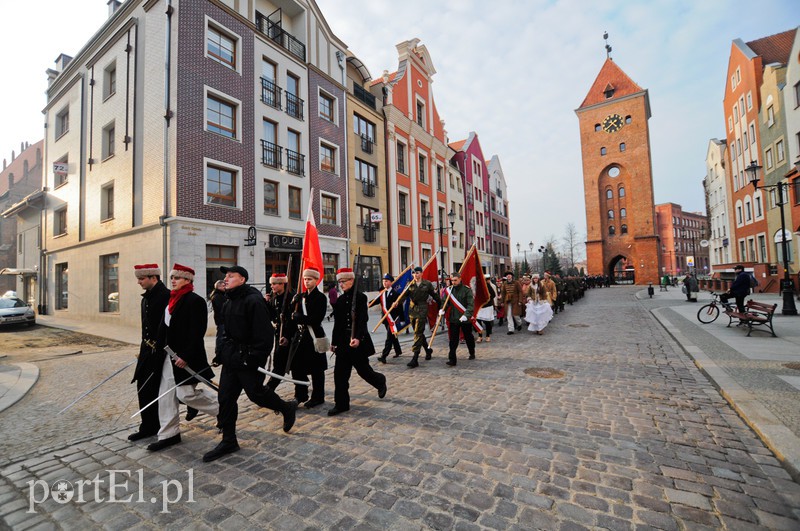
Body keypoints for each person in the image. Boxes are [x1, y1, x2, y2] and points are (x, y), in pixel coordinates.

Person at [203, 265, 298, 462]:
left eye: (231, 276)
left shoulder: (253, 301)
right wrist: (221, 354)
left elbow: (264, 336)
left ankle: (286, 408)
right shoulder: (228, 301)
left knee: (256, 395)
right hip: (231, 358)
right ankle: (229, 440)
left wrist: (252, 359)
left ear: (243, 279)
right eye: (225, 276)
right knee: (225, 398)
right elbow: (225, 332)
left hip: (247, 359)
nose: (226, 279)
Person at [149, 264, 219, 452]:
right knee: (165, 396)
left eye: (177, 278)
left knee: (185, 394)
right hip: (166, 356)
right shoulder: (170, 301)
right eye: (172, 278)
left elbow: (197, 332)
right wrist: (154, 350)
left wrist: (186, 355)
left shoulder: (195, 301)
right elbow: (163, 329)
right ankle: (168, 434)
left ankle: (223, 410)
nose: (173, 281)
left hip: (185, 357)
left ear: (188, 280)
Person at [328, 267, 387, 416]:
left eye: (343, 281)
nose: (341, 284)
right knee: (339, 375)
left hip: (357, 342)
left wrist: (358, 338)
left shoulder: (361, 297)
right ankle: (341, 404)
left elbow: (363, 320)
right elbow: (338, 324)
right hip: (343, 343)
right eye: (339, 282)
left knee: (364, 371)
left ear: (352, 280)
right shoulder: (340, 300)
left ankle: (380, 381)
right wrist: (334, 343)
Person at [129, 263, 169, 442]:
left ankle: (163, 425)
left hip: (162, 352)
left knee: (170, 391)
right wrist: (143, 349)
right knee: (143, 387)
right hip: (147, 351)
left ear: (154, 278)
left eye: (141, 278)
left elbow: (169, 328)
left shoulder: (166, 296)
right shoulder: (145, 298)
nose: (138, 282)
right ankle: (148, 426)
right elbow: (146, 329)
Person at [264, 273, 306, 402]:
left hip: (292, 337)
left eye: (275, 284)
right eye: (271, 284)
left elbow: (294, 320)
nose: (272, 286)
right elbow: (271, 316)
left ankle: (301, 395)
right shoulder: (273, 298)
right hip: (279, 335)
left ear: (283, 284)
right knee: (279, 365)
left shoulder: (292, 298)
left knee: (297, 367)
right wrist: (266, 303)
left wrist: (287, 336)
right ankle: (267, 391)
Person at [290, 267, 328, 408]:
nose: (306, 282)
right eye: (305, 279)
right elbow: (292, 315)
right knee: (297, 368)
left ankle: (318, 397)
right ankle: (300, 394)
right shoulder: (302, 297)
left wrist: (300, 317)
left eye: (310, 279)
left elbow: (316, 319)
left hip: (314, 336)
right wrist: (294, 303)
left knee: (317, 370)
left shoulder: (321, 297)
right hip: (301, 337)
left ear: (316, 281)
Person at [394, 266, 441, 368]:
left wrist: (441, 305)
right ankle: (428, 350)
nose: (416, 275)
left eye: (418, 273)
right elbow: (404, 295)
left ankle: (415, 358)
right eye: (414, 273)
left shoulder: (427, 284)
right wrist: (397, 302)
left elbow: (434, 295)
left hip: (422, 309)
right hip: (412, 311)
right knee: (418, 332)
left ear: (421, 273)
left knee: (418, 333)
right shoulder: (410, 284)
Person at [441, 272, 475, 366]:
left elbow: (470, 305)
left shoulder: (467, 290)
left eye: (455, 280)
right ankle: (452, 359)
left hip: (465, 319)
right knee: (453, 340)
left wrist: (466, 315)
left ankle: (472, 352)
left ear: (460, 279)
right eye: (452, 280)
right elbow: (445, 302)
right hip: (454, 318)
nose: (453, 282)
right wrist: (442, 310)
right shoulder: (449, 290)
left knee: (468, 337)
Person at [375, 274, 403, 363]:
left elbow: (400, 307)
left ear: (391, 283)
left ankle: (384, 356)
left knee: (389, 338)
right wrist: (368, 304)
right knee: (393, 336)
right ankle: (398, 351)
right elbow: (376, 301)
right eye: (383, 281)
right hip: (385, 319)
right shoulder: (382, 293)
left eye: (386, 281)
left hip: (392, 319)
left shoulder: (395, 294)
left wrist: (401, 318)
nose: (384, 283)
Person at [476, 275, 496, 343]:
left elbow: (493, 294)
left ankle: (487, 335)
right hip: (479, 307)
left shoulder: (487, 285)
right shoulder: (475, 286)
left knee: (487, 322)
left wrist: (487, 299)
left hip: (487, 306)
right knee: (478, 322)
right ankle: (480, 336)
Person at [210, 279, 227, 354]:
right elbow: (221, 308)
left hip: (221, 319)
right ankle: (219, 352)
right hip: (221, 320)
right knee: (220, 336)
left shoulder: (220, 295)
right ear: (219, 286)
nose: (225, 287)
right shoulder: (217, 296)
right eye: (223, 286)